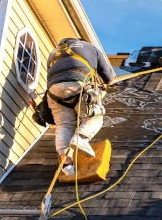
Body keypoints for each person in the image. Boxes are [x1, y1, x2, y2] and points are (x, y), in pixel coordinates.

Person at [46, 37, 117, 176]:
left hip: (54, 91)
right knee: (94, 118)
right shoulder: (90, 47)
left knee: (65, 125)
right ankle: (81, 139)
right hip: (78, 84)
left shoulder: (54, 53)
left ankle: (66, 164)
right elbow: (109, 77)